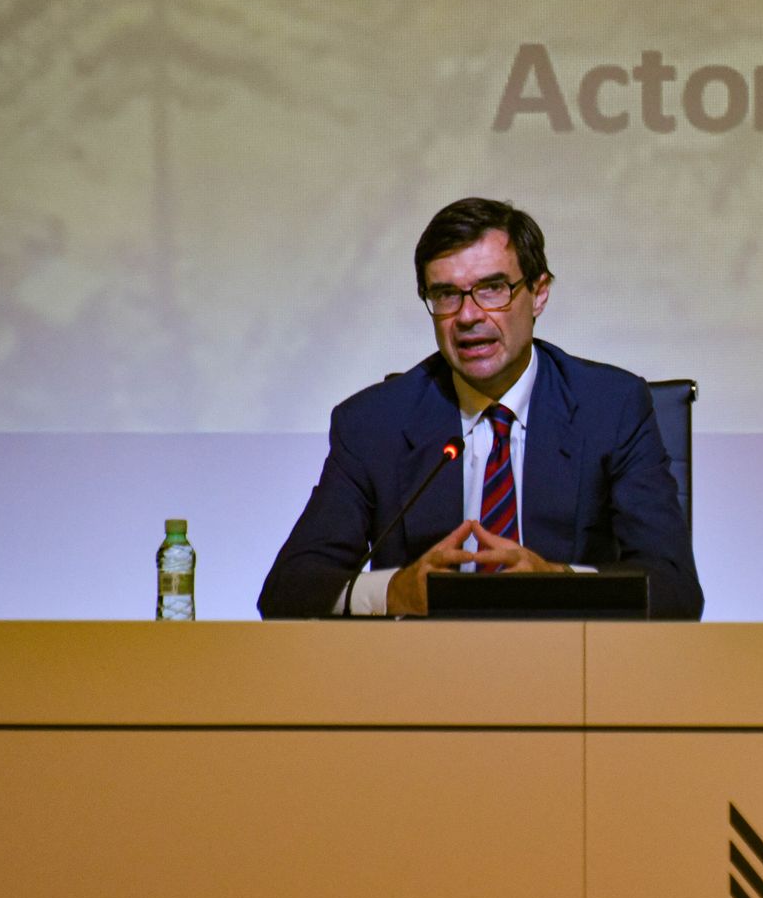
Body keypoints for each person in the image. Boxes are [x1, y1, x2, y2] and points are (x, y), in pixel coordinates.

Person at [258, 197, 703, 620]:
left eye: (493, 289)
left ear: (539, 293)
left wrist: (558, 581)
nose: (468, 316)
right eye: (446, 295)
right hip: (421, 678)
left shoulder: (611, 407)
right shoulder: (375, 423)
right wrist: (394, 592)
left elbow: (675, 588)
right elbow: (287, 589)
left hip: (572, 674)